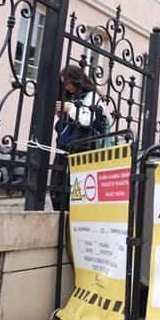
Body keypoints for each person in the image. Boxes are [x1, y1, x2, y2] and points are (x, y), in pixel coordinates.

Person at [51, 65, 108, 211]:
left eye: (68, 83)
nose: (67, 87)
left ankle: (74, 222)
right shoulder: (70, 97)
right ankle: (60, 221)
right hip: (64, 146)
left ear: (77, 80)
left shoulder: (92, 97)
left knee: (78, 190)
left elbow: (88, 120)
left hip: (83, 147)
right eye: (64, 84)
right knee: (57, 188)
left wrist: (70, 108)